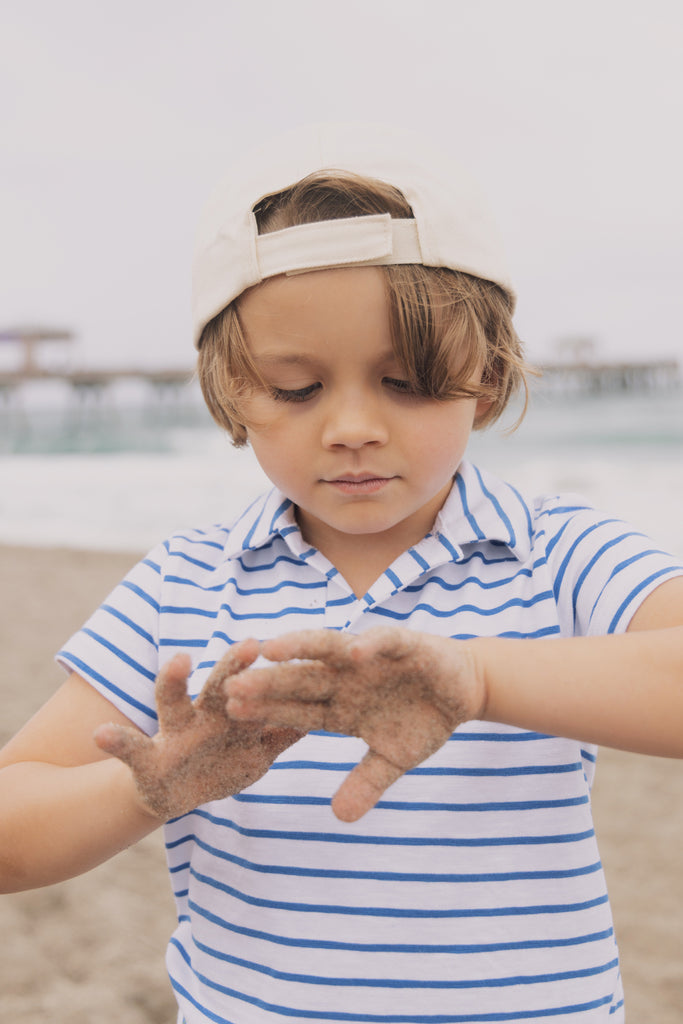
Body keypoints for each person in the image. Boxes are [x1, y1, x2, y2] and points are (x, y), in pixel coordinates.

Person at [1, 123, 682, 1024]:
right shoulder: (187, 582)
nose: (352, 427)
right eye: (296, 389)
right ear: (230, 391)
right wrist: (148, 786)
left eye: (407, 382)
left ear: (485, 379)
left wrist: (479, 677)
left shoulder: (554, 553)